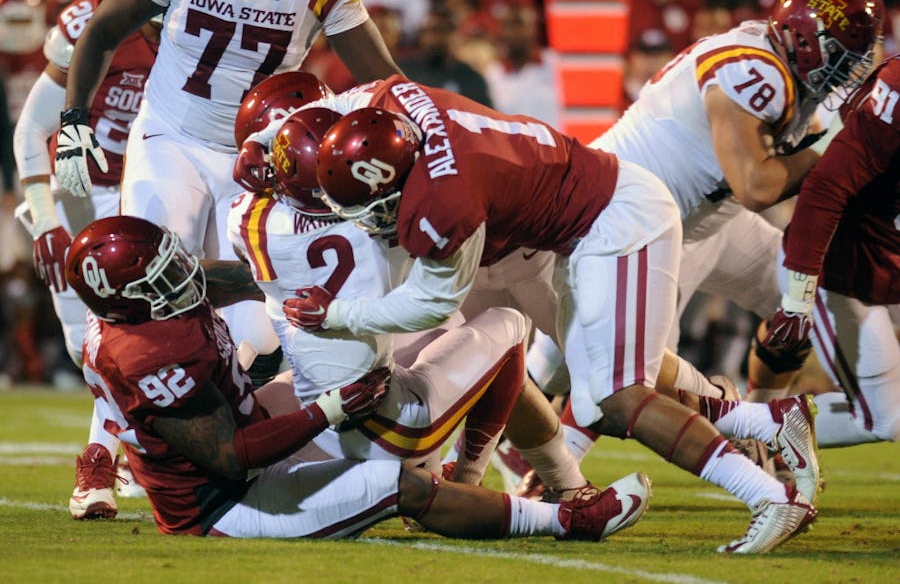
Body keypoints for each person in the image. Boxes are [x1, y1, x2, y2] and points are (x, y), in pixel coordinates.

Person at [275, 76, 818, 553]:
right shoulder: (388, 101)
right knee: (596, 391)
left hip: (615, 221)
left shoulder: (443, 200)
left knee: (619, 396)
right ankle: (767, 421)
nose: (372, 222)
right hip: (576, 226)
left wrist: (337, 313)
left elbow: (432, 302)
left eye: (374, 207)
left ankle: (770, 497)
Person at [62, 214, 652, 540]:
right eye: (163, 281)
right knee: (400, 487)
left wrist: (288, 272)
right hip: (226, 504)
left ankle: (495, 475)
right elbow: (232, 457)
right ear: (128, 306)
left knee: (411, 365)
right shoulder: (150, 356)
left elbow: (227, 280)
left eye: (174, 266)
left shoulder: (147, 305)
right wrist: (331, 409)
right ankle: (570, 521)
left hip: (247, 426)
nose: (183, 282)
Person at [522, 0, 885, 463]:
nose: (849, 67)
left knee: (800, 298)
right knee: (605, 383)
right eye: (840, 53)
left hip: (705, 220)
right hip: (632, 221)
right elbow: (756, 185)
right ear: (804, 37)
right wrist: (836, 153)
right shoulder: (755, 69)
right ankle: (536, 467)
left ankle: (763, 425)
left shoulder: (786, 71)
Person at [228, 102, 597, 501]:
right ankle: (465, 479)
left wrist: (260, 149)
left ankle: (431, 469)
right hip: (388, 427)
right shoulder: (379, 223)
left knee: (448, 329)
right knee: (506, 325)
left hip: (319, 416)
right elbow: (430, 302)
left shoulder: (248, 219)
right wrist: (337, 312)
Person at [52, 0, 406, 388]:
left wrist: (432, 129)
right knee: (146, 285)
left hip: (255, 160)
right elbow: (102, 30)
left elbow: (382, 78)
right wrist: (75, 117)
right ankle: (107, 443)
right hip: (171, 138)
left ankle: (231, 433)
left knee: (258, 341)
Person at [12, 0, 160, 519]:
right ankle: (127, 455)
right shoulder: (91, 20)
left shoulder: (207, 26)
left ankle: (107, 459)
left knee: (137, 331)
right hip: (77, 191)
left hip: (148, 186)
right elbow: (31, 127)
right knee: (86, 346)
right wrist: (45, 220)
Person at [760, 55, 900, 447]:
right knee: (885, 419)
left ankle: (726, 421)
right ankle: (719, 424)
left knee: (885, 414)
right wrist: (799, 299)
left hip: (880, 262)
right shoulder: (895, 93)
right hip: (842, 266)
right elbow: (825, 189)